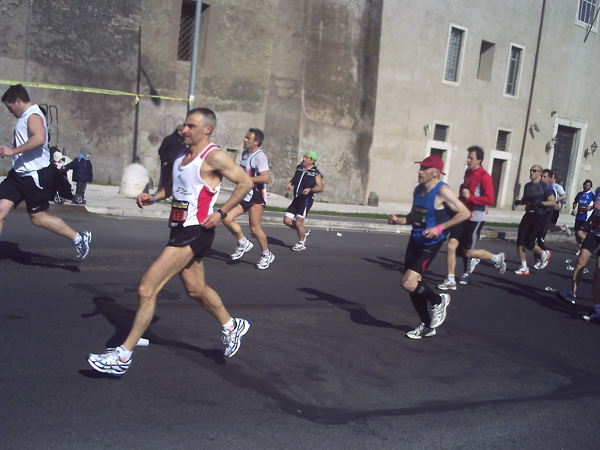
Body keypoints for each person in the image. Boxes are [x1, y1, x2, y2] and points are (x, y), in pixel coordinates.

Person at [88, 107, 254, 377]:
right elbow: (174, 188)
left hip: (196, 231)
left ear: (207, 129)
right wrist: (153, 197)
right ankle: (231, 325)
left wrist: (221, 212)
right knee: (196, 289)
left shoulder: (214, 156)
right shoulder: (181, 155)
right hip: (178, 229)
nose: (184, 130)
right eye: (184, 126)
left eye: (191, 126)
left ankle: (123, 355)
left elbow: (245, 182)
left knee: (147, 288)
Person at [0, 84, 91, 259]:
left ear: (18, 101)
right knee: (1, 210)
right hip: (18, 174)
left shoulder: (33, 115)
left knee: (38, 218)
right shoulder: (26, 116)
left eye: (10, 107)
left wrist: (12, 151)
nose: (9, 111)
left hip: (35, 177)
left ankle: (79, 238)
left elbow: (40, 138)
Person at [388, 155, 470, 339]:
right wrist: (399, 220)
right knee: (412, 286)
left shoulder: (443, 191)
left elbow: (464, 213)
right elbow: (414, 216)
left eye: (425, 168)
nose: (420, 171)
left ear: (435, 172)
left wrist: (440, 228)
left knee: (408, 282)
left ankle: (438, 300)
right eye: (420, 167)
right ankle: (426, 325)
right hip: (415, 240)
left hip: (431, 243)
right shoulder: (418, 190)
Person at [437, 146, 506, 290]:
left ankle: (495, 258)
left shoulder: (485, 176)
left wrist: (472, 198)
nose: (468, 160)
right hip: (461, 215)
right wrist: (453, 201)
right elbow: (464, 193)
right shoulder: (468, 173)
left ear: (479, 160)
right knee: (451, 245)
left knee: (467, 251)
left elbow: (490, 199)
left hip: (475, 218)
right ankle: (450, 279)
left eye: (471, 158)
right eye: (468, 157)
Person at [221, 128, 275, 270]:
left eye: (248, 138)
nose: (244, 140)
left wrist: (246, 179)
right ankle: (243, 242)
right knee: (225, 217)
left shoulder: (259, 156)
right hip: (245, 193)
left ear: (256, 142)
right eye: (245, 137)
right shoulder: (245, 154)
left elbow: (266, 178)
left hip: (256, 194)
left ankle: (266, 254)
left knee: (255, 228)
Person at [557, 187, 600, 323]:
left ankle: (597, 309)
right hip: (595, 231)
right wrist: (586, 225)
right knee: (581, 259)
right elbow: (595, 211)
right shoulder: (598, 190)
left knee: (598, 272)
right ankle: (572, 293)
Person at [513, 165, 555, 275]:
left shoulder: (544, 186)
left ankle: (543, 254)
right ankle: (524, 267)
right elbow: (525, 199)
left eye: (534, 171)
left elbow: (553, 202)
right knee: (520, 241)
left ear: (539, 173)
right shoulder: (527, 186)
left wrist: (541, 203)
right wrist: (520, 202)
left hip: (539, 216)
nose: (531, 172)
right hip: (528, 215)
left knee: (529, 243)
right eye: (530, 170)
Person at [283, 150, 324, 251]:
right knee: (287, 220)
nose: (303, 159)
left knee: (298, 222)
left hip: (306, 200)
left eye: (306, 157)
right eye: (304, 157)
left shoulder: (315, 172)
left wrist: (311, 190)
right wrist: (290, 183)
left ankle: (301, 243)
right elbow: (295, 178)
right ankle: (303, 232)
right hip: (297, 199)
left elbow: (320, 188)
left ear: (312, 161)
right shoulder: (299, 168)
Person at [157, 124, 186, 190]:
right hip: (168, 164)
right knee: (164, 179)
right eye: (182, 131)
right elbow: (162, 150)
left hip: (177, 165)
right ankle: (161, 193)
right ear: (178, 131)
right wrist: (165, 161)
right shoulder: (169, 139)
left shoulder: (182, 141)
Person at [571, 179, 594, 254]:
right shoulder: (580, 194)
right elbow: (575, 201)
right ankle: (581, 249)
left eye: (588, 186)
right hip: (578, 216)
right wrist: (574, 204)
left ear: (590, 187)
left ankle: (590, 244)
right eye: (585, 185)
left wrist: (590, 207)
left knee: (580, 233)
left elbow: (596, 204)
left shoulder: (592, 195)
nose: (586, 187)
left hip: (586, 217)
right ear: (583, 185)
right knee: (576, 235)